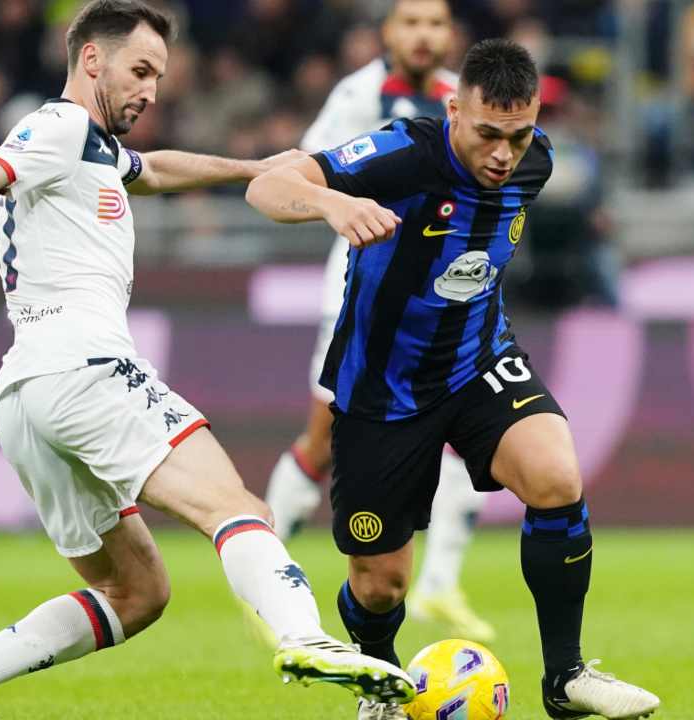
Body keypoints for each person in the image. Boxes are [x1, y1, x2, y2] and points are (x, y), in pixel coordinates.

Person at [0, 3, 413, 718]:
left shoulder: (94, 149)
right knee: (236, 507)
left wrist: (252, 167)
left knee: (135, 592)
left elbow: (154, 170)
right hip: (84, 369)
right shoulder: (59, 127)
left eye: (157, 75)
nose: (151, 91)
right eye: (139, 71)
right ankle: (304, 637)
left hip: (27, 394)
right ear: (91, 59)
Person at [246, 39, 662, 720]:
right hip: (382, 388)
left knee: (556, 477)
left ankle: (566, 678)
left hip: (477, 363)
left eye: (518, 136)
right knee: (380, 585)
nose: (504, 154)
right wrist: (330, 205)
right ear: (453, 111)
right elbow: (266, 186)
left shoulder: (537, 161)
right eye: (488, 134)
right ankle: (380, 682)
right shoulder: (402, 154)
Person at [263, 0, 497, 645]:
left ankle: (439, 585)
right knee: (323, 440)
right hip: (361, 290)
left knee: (460, 431)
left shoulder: (462, 101)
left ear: (450, 35)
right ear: (388, 32)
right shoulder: (358, 96)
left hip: (440, 295)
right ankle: (265, 571)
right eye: (411, 22)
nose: (423, 35)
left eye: (435, 23)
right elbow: (301, 177)